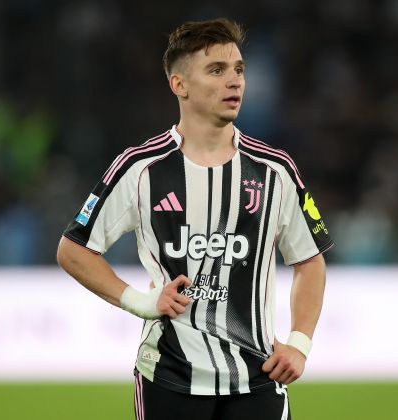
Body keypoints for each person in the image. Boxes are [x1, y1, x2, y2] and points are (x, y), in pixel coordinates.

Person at [57, 17, 333, 420]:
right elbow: (73, 249)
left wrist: (300, 343)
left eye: (239, 69)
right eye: (216, 70)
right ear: (179, 85)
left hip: (257, 378)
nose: (234, 81)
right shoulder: (140, 169)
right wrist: (140, 301)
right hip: (169, 377)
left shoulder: (275, 170)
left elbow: (310, 261)